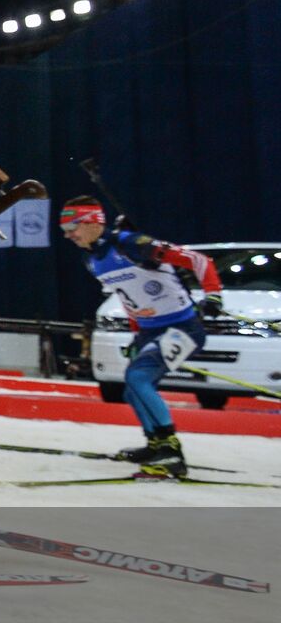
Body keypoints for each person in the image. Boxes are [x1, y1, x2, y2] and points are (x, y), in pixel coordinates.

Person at [61, 196, 223, 476]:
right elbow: (130, 300)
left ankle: (172, 452)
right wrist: (137, 337)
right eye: (64, 230)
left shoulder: (133, 245)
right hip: (151, 330)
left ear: (92, 223)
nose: (68, 235)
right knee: (132, 388)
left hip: (183, 328)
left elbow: (199, 260)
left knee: (139, 378)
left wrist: (213, 296)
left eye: (73, 227)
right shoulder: (92, 260)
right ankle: (155, 444)